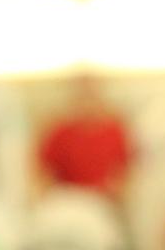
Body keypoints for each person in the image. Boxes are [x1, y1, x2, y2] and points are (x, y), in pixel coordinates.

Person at [35, 72, 137, 203]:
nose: (86, 99)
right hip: (66, 201)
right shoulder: (59, 132)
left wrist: (114, 194)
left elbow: (125, 172)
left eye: (90, 92)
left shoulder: (115, 130)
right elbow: (43, 174)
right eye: (82, 93)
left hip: (102, 202)